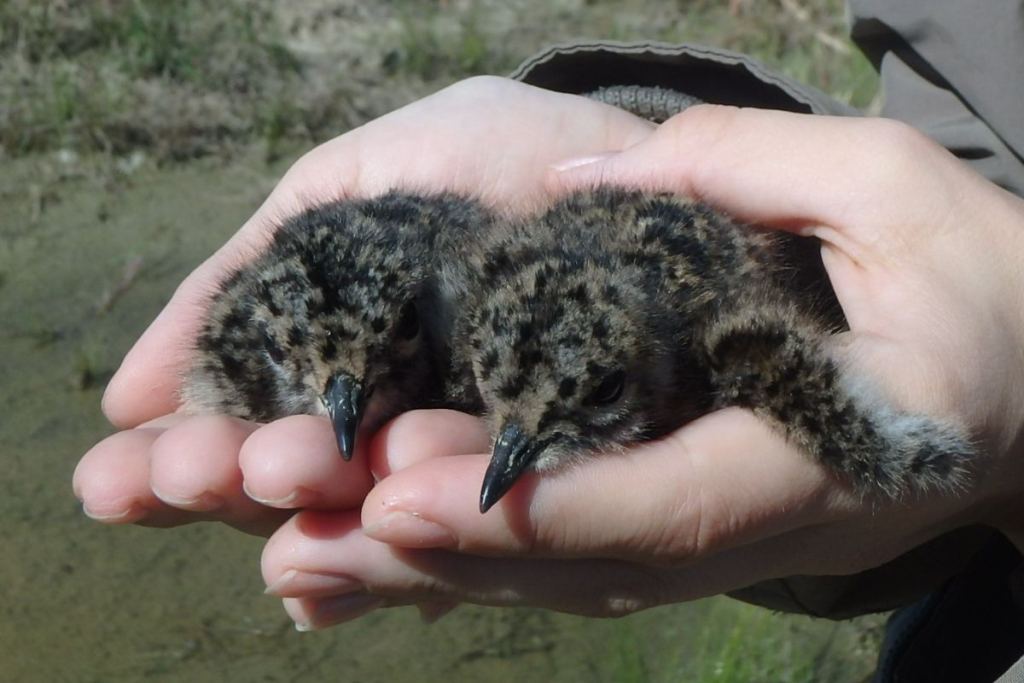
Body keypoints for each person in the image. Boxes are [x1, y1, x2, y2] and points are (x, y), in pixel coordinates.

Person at [73, 2, 1024, 680]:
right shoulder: (468, 297)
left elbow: (776, 358)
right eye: (492, 386)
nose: (508, 433)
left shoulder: (713, 340)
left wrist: (978, 421)